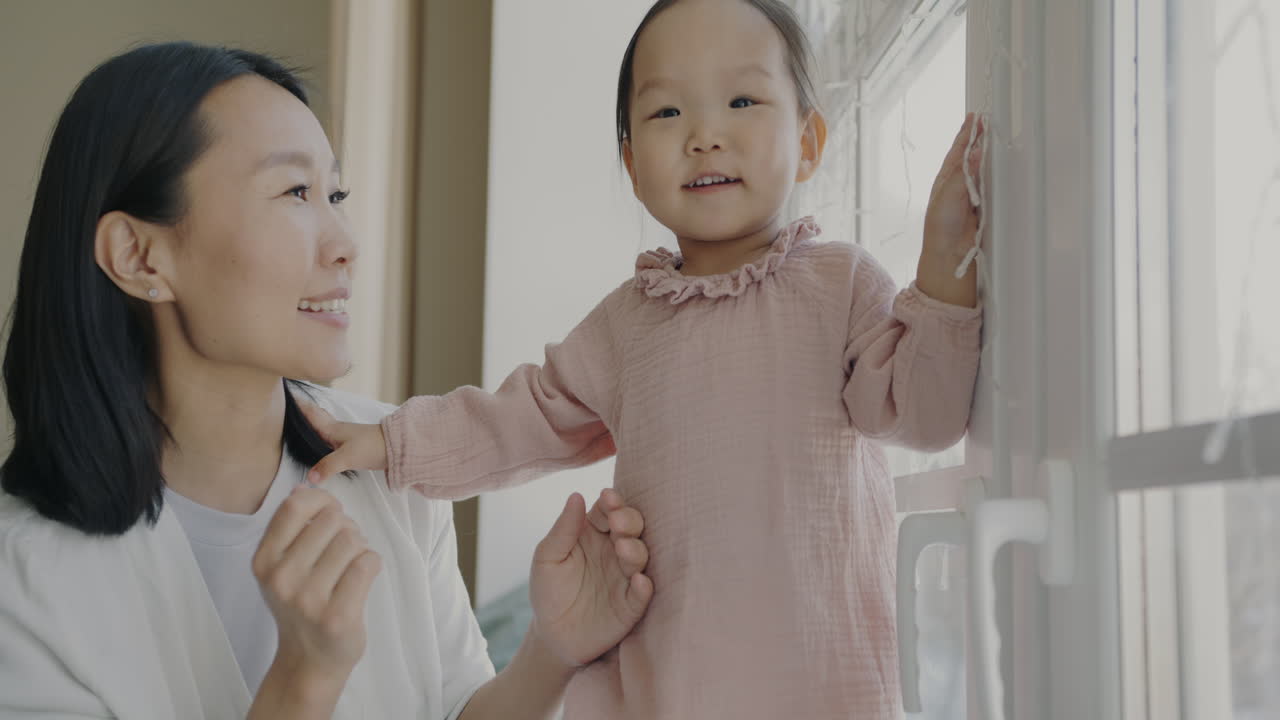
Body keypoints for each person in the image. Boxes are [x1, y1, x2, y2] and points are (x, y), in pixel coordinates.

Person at [307, 0, 986, 716]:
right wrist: (392, 439)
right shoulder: (628, 324)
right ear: (631, 164)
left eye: (743, 100)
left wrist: (946, 272)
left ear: (810, 140)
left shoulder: (841, 282)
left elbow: (927, 414)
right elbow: (520, 417)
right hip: (673, 687)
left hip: (826, 683)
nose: (705, 136)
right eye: (667, 114)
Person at [0, 42, 653, 719]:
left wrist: (552, 653)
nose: (345, 241)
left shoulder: (390, 471)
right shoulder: (23, 583)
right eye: (294, 193)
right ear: (139, 256)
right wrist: (304, 679)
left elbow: (456, 706)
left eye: (335, 193)